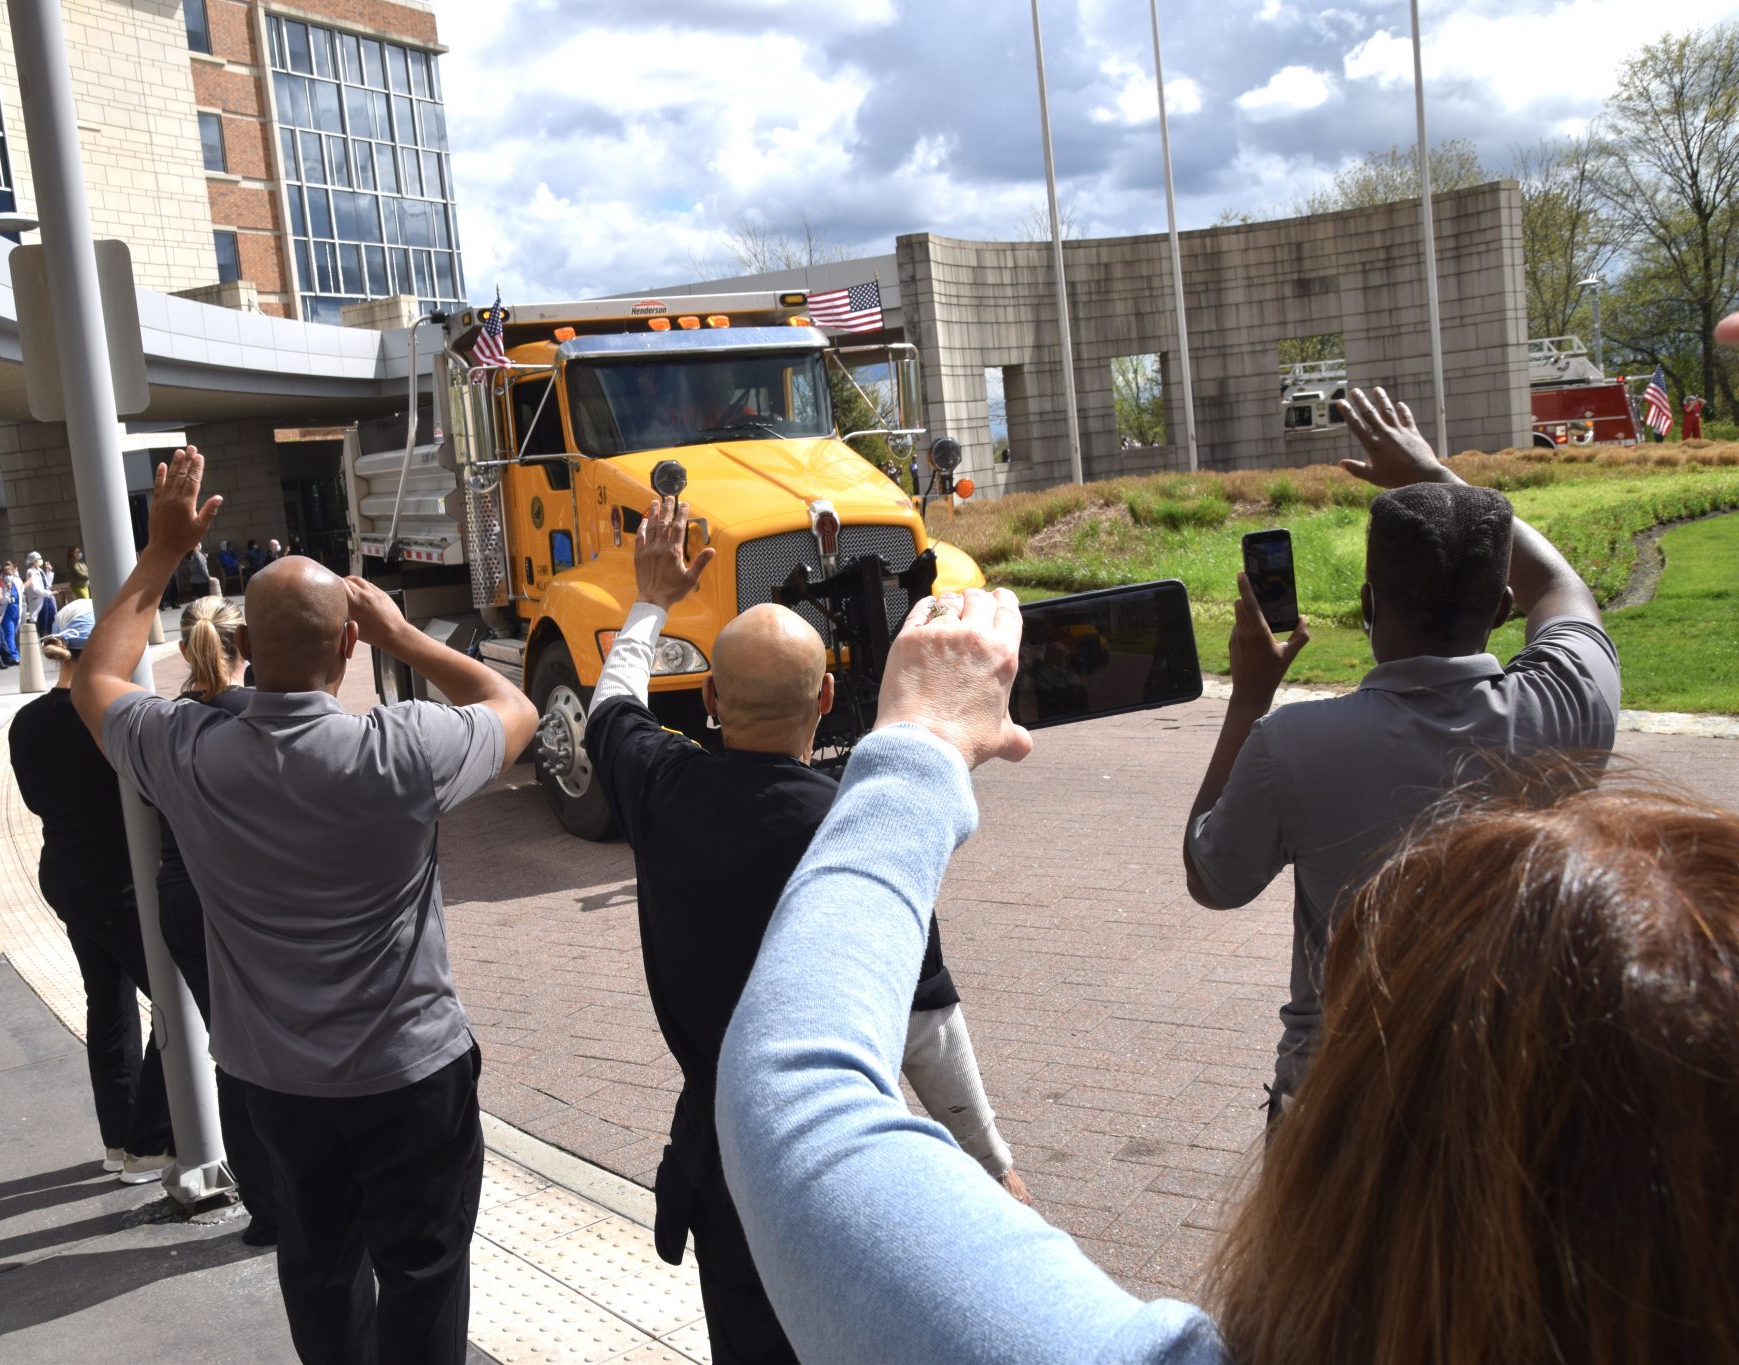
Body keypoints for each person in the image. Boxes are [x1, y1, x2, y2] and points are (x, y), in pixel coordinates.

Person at [713, 586, 1739, 1365]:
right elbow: (1568, 601)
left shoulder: (1297, 741)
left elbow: (791, 1092)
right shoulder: (1570, 700)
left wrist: (920, 746)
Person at [74, 448, 537, 1365]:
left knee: (319, 1267)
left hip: (275, 1079)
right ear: (349, 648)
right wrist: (404, 635)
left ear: (243, 650)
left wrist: (164, 551)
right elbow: (511, 703)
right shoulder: (403, 751)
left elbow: (96, 679)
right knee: (425, 1270)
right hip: (411, 1070)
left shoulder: (189, 751)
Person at [586, 496, 1030, 1364]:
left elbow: (612, 704)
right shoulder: (856, 831)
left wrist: (650, 599)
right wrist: (992, 1163)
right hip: (840, 1173)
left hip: (720, 1161)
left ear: (711, 698)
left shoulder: (661, 788)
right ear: (827, 697)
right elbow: (925, 1025)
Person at [1183, 385, 1622, 1121]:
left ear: (1367, 608)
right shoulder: (1564, 704)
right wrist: (1433, 473)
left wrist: (1249, 697)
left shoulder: (1294, 745)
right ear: (1501, 612)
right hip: (1510, 1096)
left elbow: (1212, 877)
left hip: (1338, 1109)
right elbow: (1562, 585)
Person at [8, 601, 174, 1184]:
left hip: (68, 875)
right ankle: (150, 1144)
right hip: (121, 883)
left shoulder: (27, 721)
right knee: (178, 1009)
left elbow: (33, 801)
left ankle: (119, 1138)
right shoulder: (115, 716)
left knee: (107, 1003)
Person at [150, 595, 278, 1245]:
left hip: (179, 892)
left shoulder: (166, 723)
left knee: (229, 1050)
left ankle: (263, 1202)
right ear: (244, 646)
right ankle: (291, 1196)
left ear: (182, 649)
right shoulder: (255, 716)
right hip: (244, 898)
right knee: (271, 1047)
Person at [23, 553, 58, 638]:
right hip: (40, 599)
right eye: (38, 559)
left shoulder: (40, 570)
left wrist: (48, 572)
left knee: (52, 618)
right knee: (43, 621)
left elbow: (47, 584)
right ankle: (42, 639)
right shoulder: (30, 572)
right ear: (33, 561)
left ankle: (51, 637)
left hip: (47, 597)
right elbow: (35, 588)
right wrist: (49, 593)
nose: (40, 561)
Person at [0, 562, 24, 664]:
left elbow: (20, 595)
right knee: (9, 634)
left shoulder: (18, 582)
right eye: (6, 574)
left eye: (10, 574)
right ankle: (14, 657)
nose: (8, 577)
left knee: (13, 634)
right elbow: (2, 601)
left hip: (16, 612)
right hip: (6, 614)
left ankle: (12, 655)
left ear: (13, 574)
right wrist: (8, 591)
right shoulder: (1, 585)